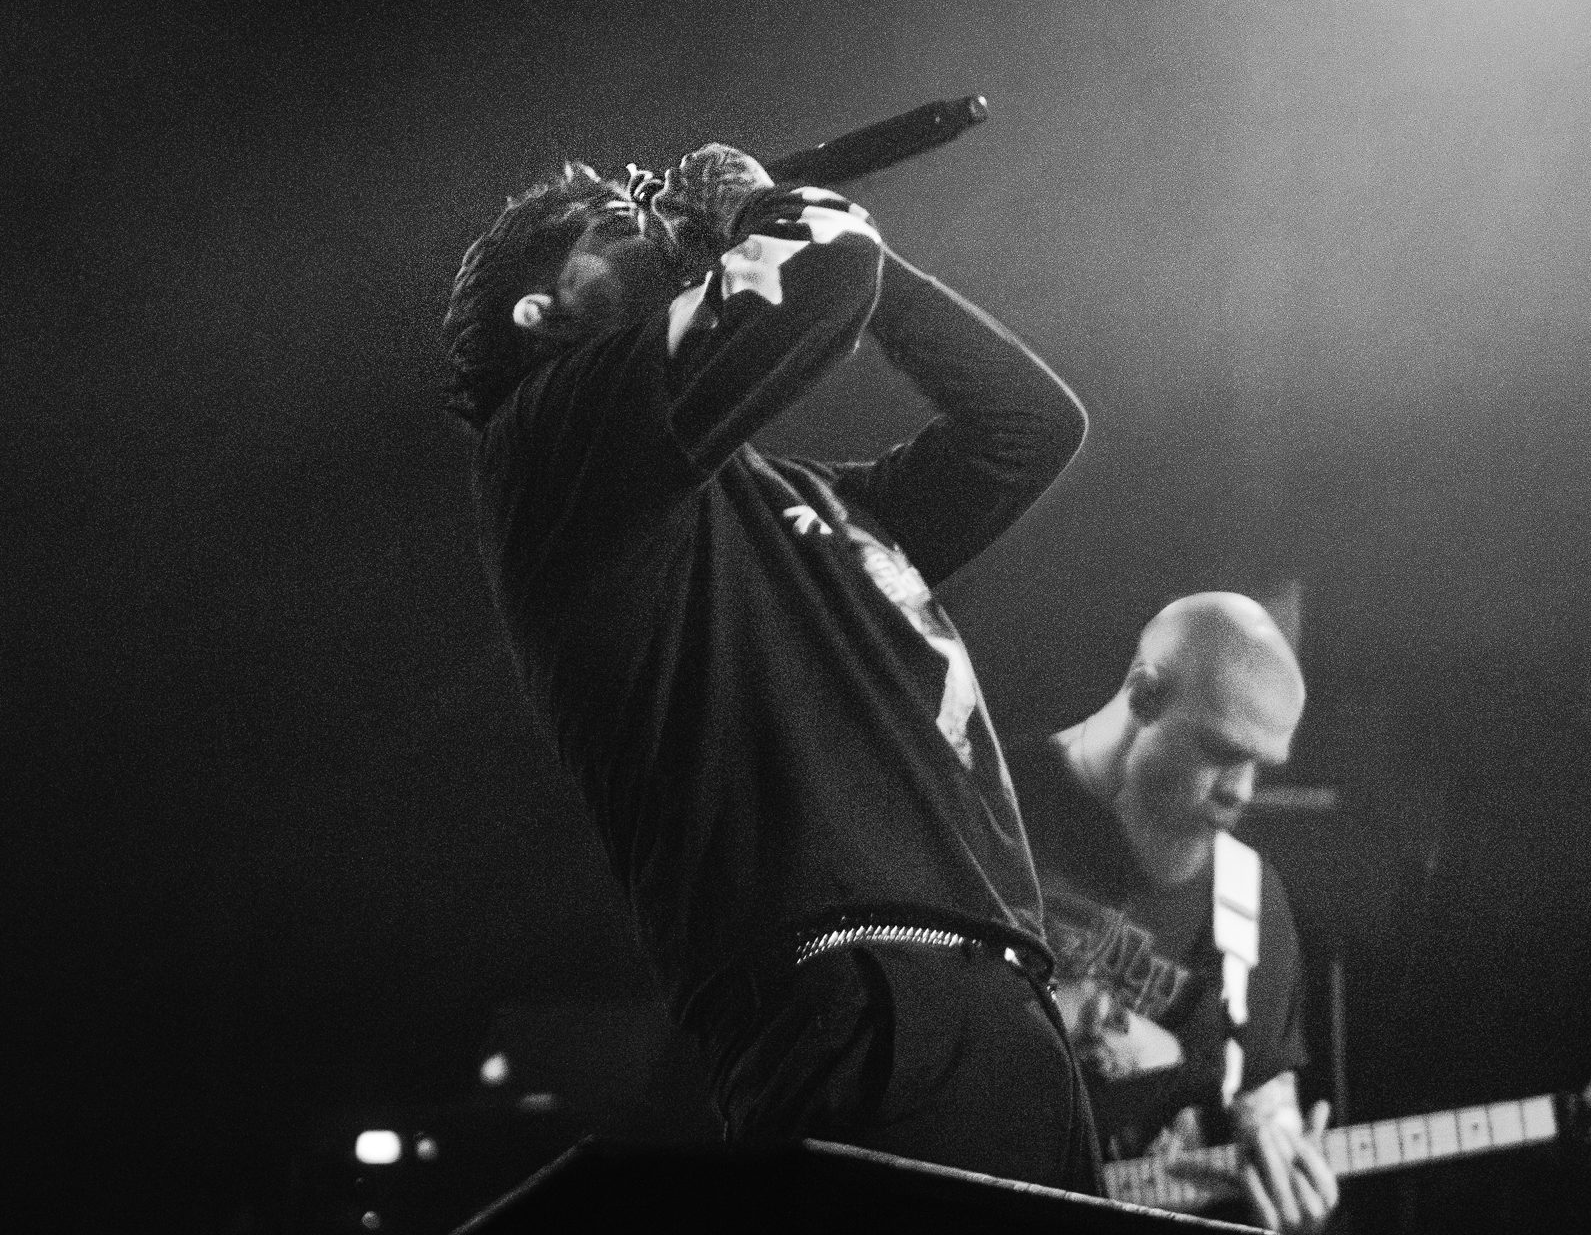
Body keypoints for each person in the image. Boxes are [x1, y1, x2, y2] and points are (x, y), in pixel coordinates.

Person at [442, 141, 1097, 1190]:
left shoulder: (811, 502)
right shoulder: (547, 449)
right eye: (611, 224)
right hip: (854, 999)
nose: (650, 216)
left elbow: (1024, 428)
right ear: (542, 315)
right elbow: (828, 272)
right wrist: (770, 211)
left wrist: (833, 251)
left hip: (1009, 1004)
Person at [1008, 593, 1341, 1231]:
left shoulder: (1253, 901)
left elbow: (1267, 1113)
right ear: (1144, 695)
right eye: (1221, 751)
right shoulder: (990, 806)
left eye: (1259, 766)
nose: (1241, 791)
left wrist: (1293, 1195)